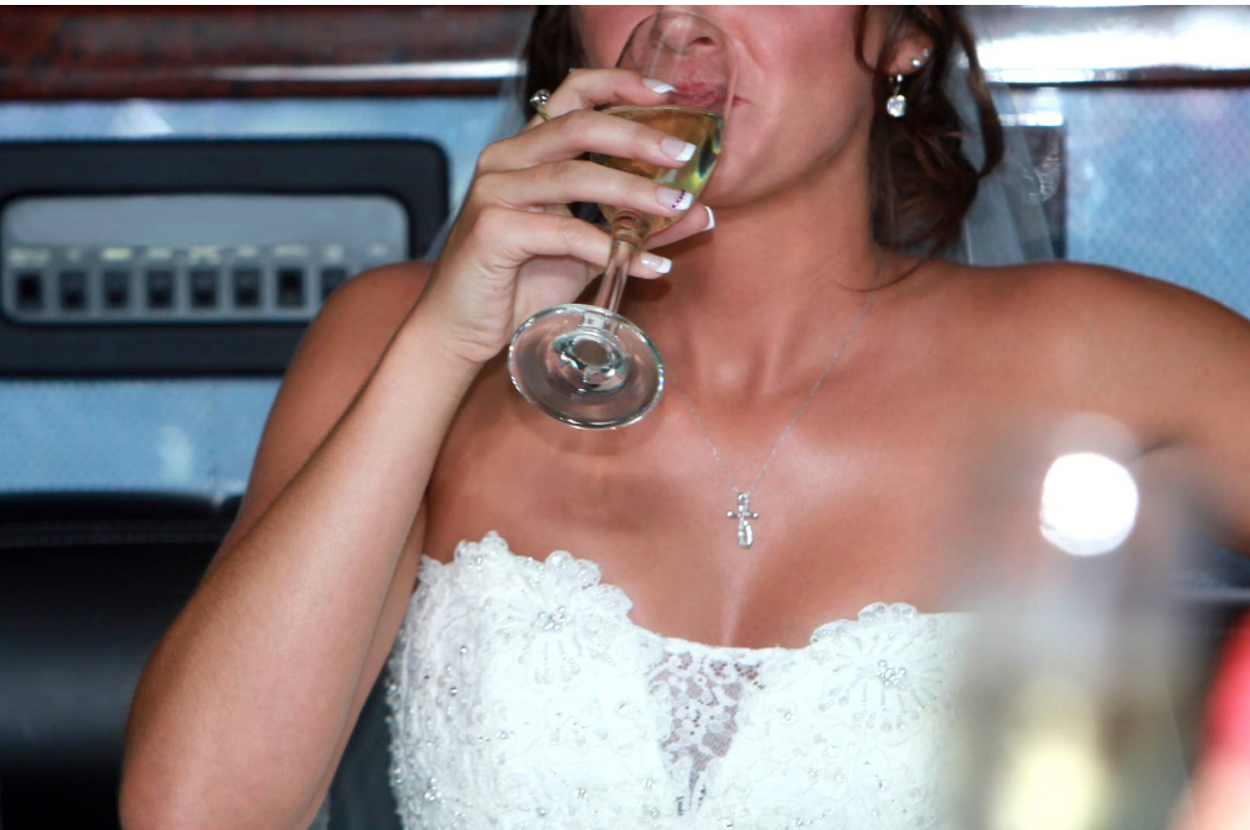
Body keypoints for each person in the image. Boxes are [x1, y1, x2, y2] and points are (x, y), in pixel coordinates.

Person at [119, 7, 1250, 830]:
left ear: (901, 32)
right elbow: (196, 809)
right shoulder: (392, 339)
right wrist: (442, 343)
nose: (684, 19)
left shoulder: (1092, 354)